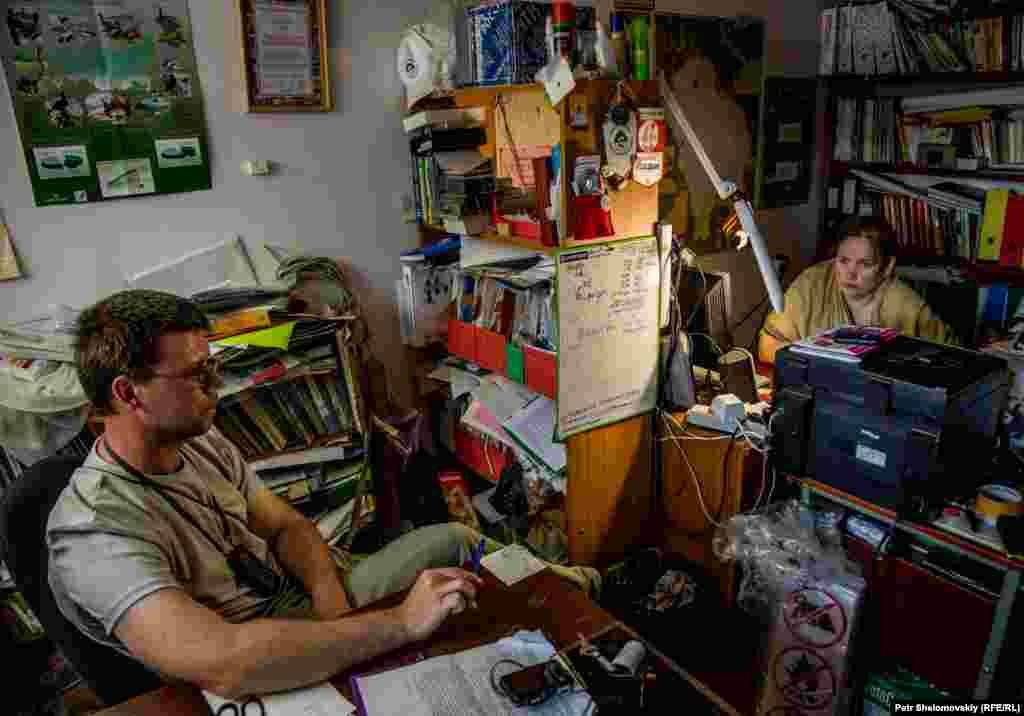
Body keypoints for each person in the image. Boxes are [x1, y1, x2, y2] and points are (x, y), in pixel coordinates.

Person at [46, 290, 598, 700]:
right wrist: (400, 623)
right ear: (127, 394)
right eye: (197, 375)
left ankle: (584, 592)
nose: (218, 387)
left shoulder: (200, 440)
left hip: (307, 606)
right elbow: (225, 663)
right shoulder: (94, 530)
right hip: (249, 666)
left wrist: (330, 599)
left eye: (213, 367)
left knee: (454, 544)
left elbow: (285, 526)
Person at [758, 216, 955, 365]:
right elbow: (767, 345)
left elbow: (953, 363)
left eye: (864, 264)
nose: (850, 274)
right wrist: (818, 366)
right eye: (843, 261)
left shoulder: (909, 307)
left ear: (887, 267)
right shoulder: (812, 282)